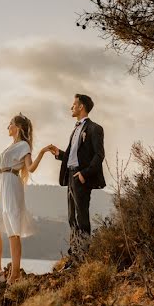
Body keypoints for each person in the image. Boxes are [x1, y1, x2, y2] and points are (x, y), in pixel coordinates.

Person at [0, 113, 54, 284]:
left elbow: (30, 168)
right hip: (4, 187)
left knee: (13, 230)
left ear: (18, 127)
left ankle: (15, 273)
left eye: (10, 124)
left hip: (13, 187)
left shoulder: (23, 145)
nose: (7, 127)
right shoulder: (11, 146)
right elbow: (2, 172)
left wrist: (42, 152)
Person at [46, 93, 105, 264]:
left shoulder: (95, 128)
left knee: (82, 216)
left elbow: (99, 155)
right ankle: (74, 256)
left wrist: (84, 174)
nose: (71, 107)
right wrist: (59, 154)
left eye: (73, 105)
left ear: (81, 107)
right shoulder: (75, 129)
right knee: (72, 217)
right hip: (70, 175)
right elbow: (74, 156)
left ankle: (83, 256)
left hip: (81, 177)